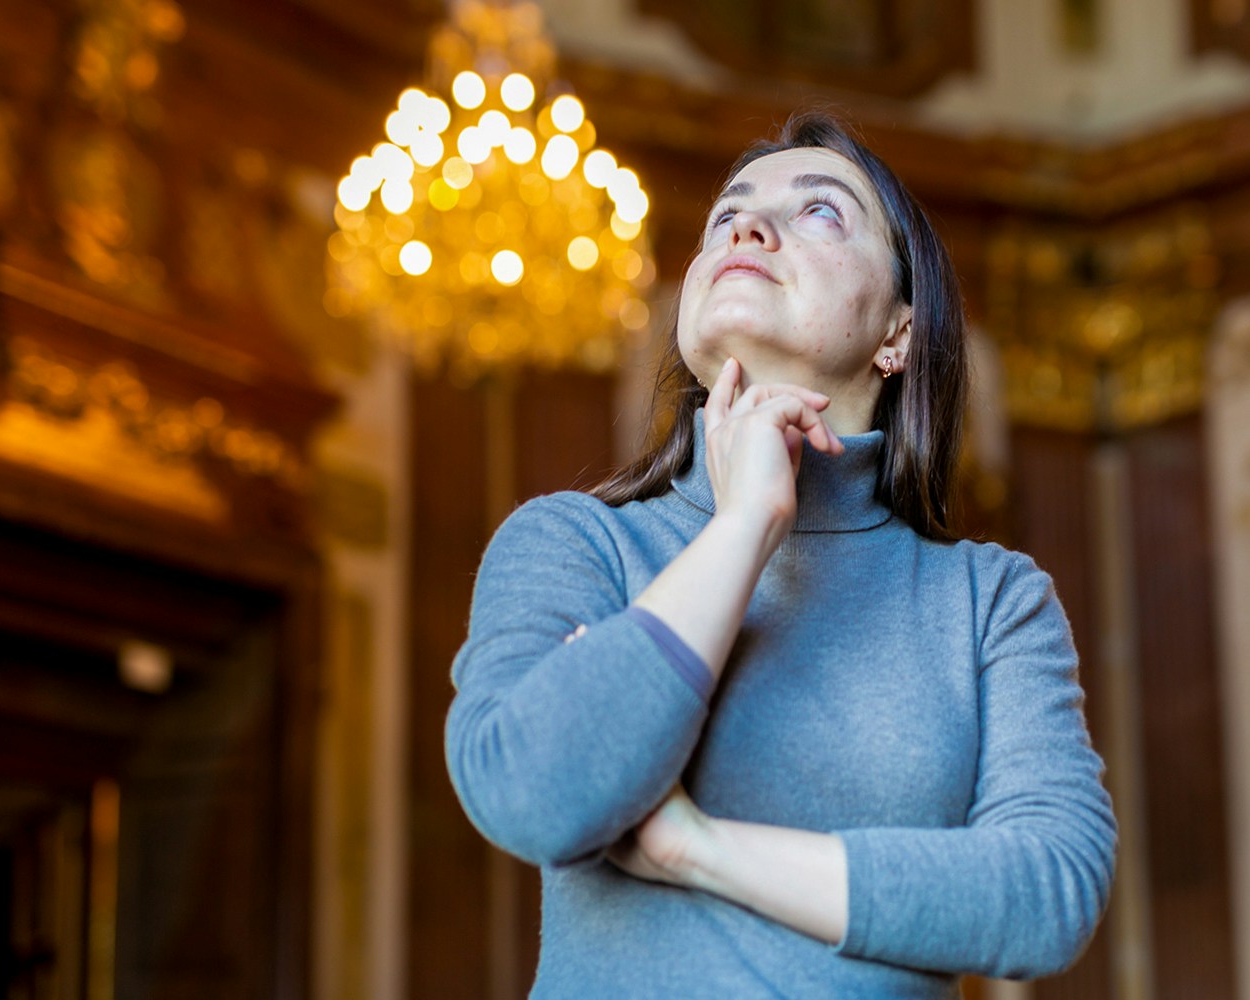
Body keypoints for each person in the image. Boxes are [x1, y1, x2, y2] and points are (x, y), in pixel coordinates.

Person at [445, 110, 1117, 998]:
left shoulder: (991, 600)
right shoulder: (574, 542)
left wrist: (701, 849)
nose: (747, 228)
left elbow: (1048, 895)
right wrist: (744, 525)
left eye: (822, 212)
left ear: (900, 333)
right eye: (728, 215)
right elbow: (528, 791)